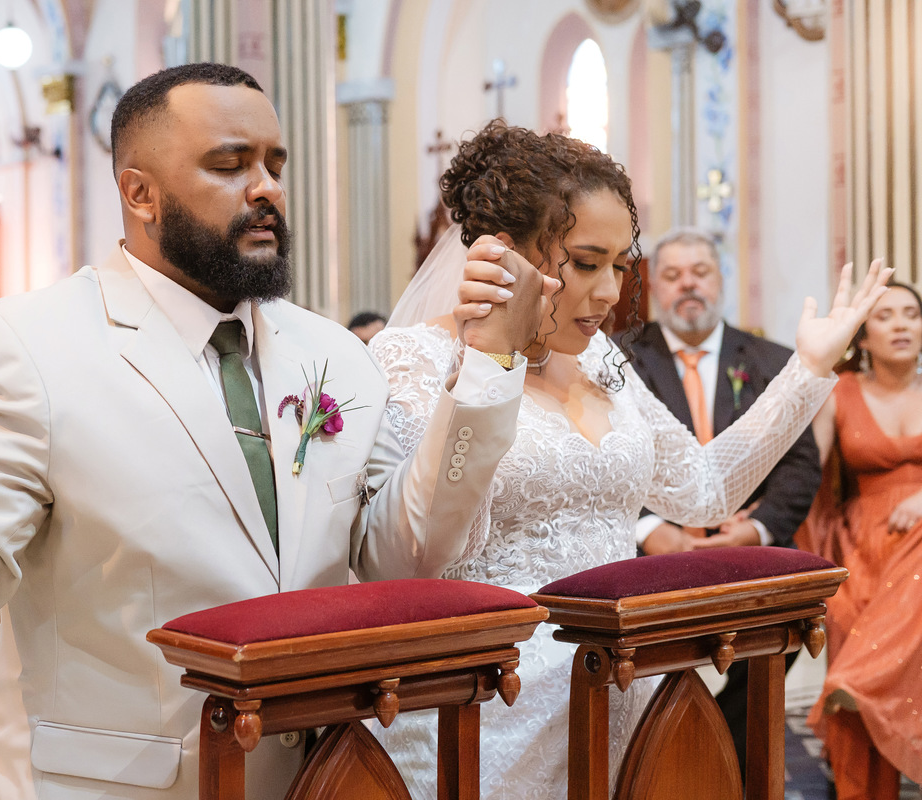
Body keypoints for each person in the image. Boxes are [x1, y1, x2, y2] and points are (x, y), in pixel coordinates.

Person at [0, 64, 551, 800]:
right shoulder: (28, 344)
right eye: (230, 164)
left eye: (274, 164)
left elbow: (402, 557)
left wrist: (487, 370)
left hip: (314, 777)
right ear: (140, 193)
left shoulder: (335, 356)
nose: (266, 189)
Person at [370, 121, 890, 800]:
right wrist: (488, 361)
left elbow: (702, 491)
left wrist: (809, 369)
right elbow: (421, 550)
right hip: (484, 712)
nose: (613, 292)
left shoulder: (603, 361)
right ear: (506, 252)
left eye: (620, 264)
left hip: (618, 696)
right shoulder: (412, 358)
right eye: (586, 263)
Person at [624, 227, 822, 778]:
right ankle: (660, 765)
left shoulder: (770, 360)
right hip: (651, 558)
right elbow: (606, 458)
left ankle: (726, 767)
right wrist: (650, 530)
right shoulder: (620, 363)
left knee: (770, 650)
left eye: (701, 271)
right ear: (654, 288)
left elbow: (801, 465)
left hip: (748, 555)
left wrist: (757, 530)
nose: (688, 283)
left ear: (720, 279)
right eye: (672, 274)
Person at [801, 282, 922, 799]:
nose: (901, 325)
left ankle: (851, 682)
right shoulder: (840, 392)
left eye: (911, 314)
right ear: (863, 336)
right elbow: (805, 475)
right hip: (861, 546)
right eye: (886, 316)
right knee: (848, 614)